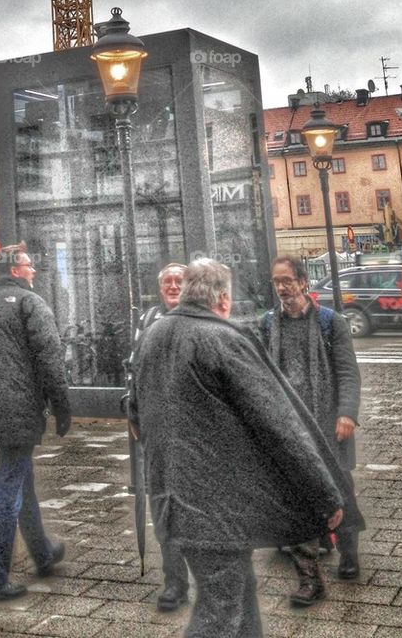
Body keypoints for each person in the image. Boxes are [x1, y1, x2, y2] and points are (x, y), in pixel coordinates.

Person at [129, 259, 344, 638]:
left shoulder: (153, 336)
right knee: (219, 611)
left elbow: (134, 409)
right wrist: (326, 493)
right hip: (215, 507)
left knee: (237, 596)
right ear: (223, 299)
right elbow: (280, 426)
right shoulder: (223, 340)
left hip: (172, 498)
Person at [0, 242, 71, 601]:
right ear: (14, 271)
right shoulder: (31, 303)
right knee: (8, 488)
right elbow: (49, 357)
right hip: (20, 408)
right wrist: (61, 405)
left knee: (19, 478)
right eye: (28, 265)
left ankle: (41, 552)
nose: (33, 270)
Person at [261, 255, 365, 600]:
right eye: (277, 282)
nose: (282, 288)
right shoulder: (267, 324)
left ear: (304, 282)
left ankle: (348, 551)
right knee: (295, 494)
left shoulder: (329, 322)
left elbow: (348, 372)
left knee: (339, 489)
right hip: (288, 427)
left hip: (326, 423)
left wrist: (347, 413)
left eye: (287, 281)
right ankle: (308, 579)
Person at [130, 262, 189, 612]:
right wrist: (134, 412)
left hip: (194, 432)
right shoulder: (147, 320)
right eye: (166, 281)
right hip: (157, 431)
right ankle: (174, 581)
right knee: (162, 505)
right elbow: (135, 367)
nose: (172, 286)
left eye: (178, 281)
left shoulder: (199, 318)